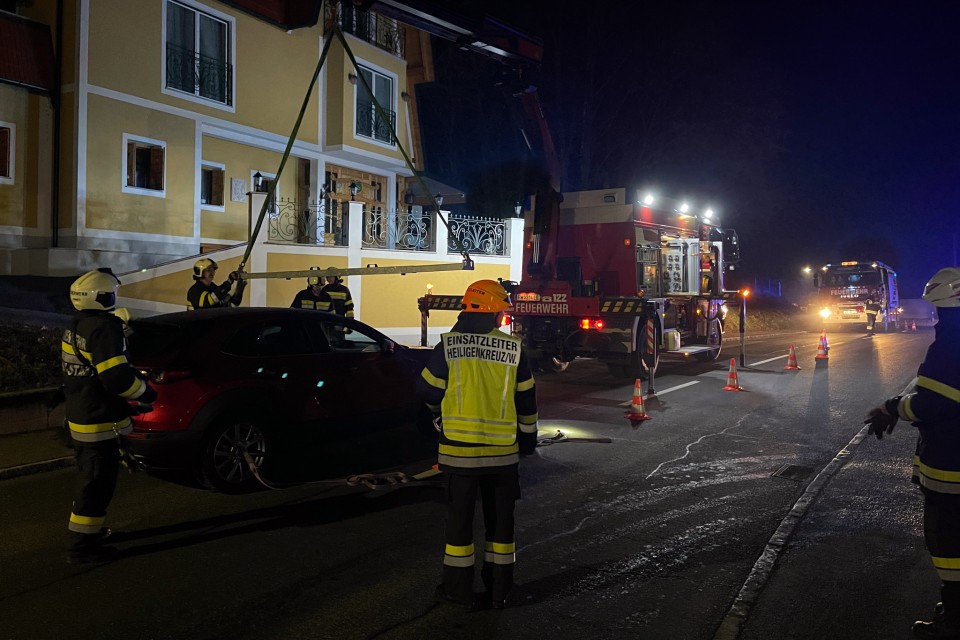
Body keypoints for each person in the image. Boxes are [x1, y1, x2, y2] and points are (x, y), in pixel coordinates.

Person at [417, 279, 538, 610]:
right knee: (501, 525)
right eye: (500, 312)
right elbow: (527, 401)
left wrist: (438, 414)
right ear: (492, 313)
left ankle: (458, 591)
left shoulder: (448, 345)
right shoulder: (513, 349)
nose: (502, 317)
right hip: (502, 456)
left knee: (459, 525)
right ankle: (500, 591)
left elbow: (427, 390)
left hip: (459, 455)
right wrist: (528, 441)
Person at [864, 267, 960, 639]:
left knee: (948, 543)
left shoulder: (950, 345)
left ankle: (955, 620)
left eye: (937, 309)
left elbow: (933, 403)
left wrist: (892, 408)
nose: (935, 316)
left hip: (952, 466)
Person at [62, 269, 156, 564]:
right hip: (98, 421)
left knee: (91, 480)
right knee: (96, 485)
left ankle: (90, 533)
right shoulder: (103, 330)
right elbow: (116, 378)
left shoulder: (78, 325)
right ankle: (82, 547)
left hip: (82, 414)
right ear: (100, 297)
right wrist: (146, 392)